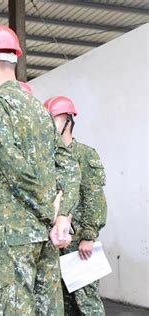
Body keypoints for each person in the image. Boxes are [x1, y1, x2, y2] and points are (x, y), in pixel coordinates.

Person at [0, 25, 80, 315]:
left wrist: (50, 211)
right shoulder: (40, 111)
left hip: (12, 237)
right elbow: (68, 164)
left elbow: (13, 168)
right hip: (45, 237)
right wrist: (62, 214)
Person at [45, 96, 107, 316]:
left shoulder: (85, 155)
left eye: (55, 118)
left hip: (79, 242)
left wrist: (89, 236)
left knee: (87, 302)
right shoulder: (46, 158)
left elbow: (94, 197)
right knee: (62, 305)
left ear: (68, 120)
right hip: (53, 244)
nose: (50, 124)